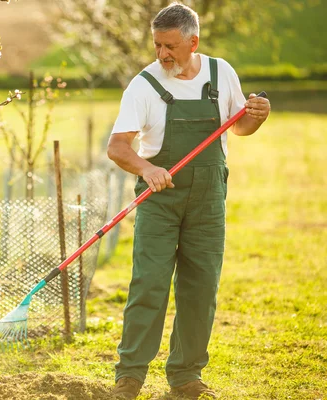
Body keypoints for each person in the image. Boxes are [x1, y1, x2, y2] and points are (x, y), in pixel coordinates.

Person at [107, 2, 270, 399]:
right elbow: (117, 147)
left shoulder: (220, 73)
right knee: (150, 284)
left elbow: (240, 125)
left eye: (170, 46)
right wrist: (146, 169)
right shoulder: (144, 85)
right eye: (157, 45)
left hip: (208, 200)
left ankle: (186, 376)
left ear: (192, 42)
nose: (162, 54)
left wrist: (256, 116)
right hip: (160, 200)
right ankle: (130, 375)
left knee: (200, 288)